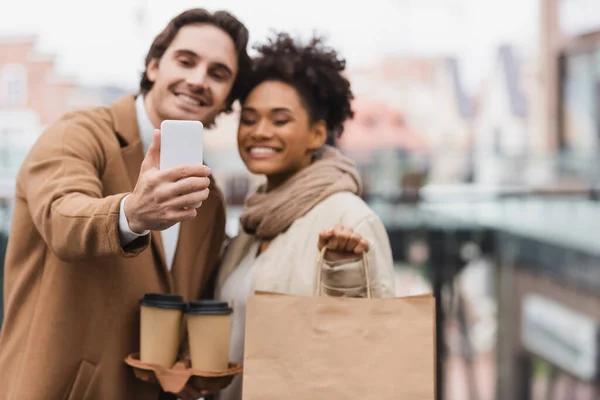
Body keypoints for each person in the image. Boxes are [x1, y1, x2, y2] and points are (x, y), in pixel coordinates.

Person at [0, 8, 251, 400]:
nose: (198, 80)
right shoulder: (78, 133)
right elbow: (61, 219)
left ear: (227, 99)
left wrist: (186, 367)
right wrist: (131, 214)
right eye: (186, 61)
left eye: (218, 74)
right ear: (153, 66)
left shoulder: (210, 197)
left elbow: (183, 306)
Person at [215, 32, 397, 400]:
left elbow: (371, 348)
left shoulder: (350, 218)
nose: (259, 132)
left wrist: (344, 273)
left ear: (316, 134)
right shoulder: (254, 224)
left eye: (279, 120)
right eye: (248, 119)